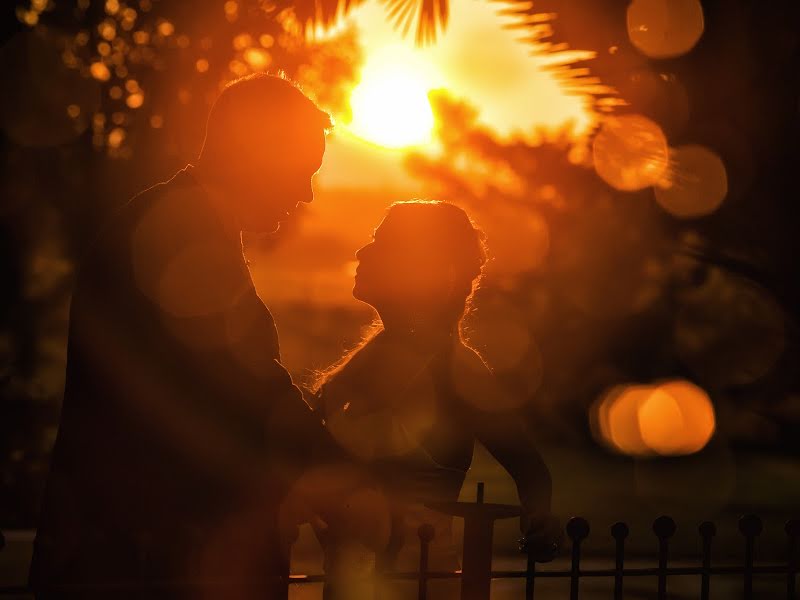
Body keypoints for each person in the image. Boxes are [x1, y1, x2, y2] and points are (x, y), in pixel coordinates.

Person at [30, 73, 333, 599]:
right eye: (300, 171)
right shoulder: (177, 232)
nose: (305, 193)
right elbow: (246, 383)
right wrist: (344, 479)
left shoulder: (185, 220)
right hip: (144, 558)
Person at [309, 200, 559, 598]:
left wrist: (539, 519)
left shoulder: (458, 371)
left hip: (417, 583)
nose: (362, 252)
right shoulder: (369, 360)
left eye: (383, 244)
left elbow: (529, 467)